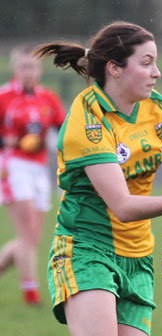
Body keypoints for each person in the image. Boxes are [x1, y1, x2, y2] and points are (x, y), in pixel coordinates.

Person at [33, 21, 162, 336]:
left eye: (156, 62)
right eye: (147, 63)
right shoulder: (89, 118)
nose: (157, 72)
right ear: (114, 68)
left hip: (139, 259)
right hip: (87, 250)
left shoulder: (161, 111)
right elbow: (123, 206)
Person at [0, 45, 67, 305]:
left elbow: (63, 130)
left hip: (39, 169)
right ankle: (32, 294)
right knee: (27, 231)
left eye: (33, 67)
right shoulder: (4, 96)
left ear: (39, 70)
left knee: (31, 238)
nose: (28, 72)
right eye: (23, 66)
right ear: (14, 69)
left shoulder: (47, 98)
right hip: (12, 166)